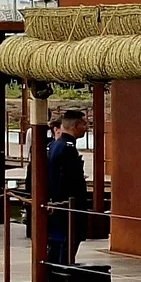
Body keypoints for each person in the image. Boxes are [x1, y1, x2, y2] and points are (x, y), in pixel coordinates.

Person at [44, 109, 91, 268]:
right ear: (75, 125)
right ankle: (61, 278)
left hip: (60, 204)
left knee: (58, 243)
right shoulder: (67, 148)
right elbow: (67, 180)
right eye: (84, 124)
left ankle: (53, 275)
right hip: (68, 205)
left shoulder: (56, 145)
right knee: (67, 243)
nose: (86, 127)